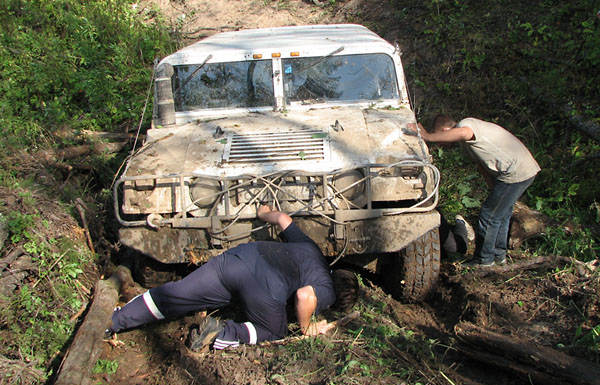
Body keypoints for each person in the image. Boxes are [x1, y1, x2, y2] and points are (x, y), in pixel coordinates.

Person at [106, 205, 359, 351]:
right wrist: (307, 328)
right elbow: (305, 296)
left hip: (238, 259)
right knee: (275, 331)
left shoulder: (312, 250)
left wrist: (264, 212)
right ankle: (223, 332)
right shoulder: (328, 291)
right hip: (264, 287)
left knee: (179, 293)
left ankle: (114, 320)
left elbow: (283, 219)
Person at [410, 115, 540, 267]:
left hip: (516, 171)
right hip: (521, 170)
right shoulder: (468, 145)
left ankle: (484, 260)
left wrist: (428, 137)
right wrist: (493, 187)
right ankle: (499, 256)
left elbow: (464, 132)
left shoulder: (465, 125)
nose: (440, 144)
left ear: (445, 130)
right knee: (501, 215)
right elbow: (481, 165)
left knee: (489, 215)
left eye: (440, 139)